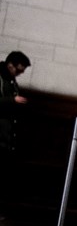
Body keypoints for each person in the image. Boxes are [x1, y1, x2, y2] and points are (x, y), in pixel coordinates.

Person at [0, 51, 30, 189]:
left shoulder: (11, 80)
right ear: (10, 65)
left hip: (6, 133)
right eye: (18, 70)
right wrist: (13, 100)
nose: (19, 74)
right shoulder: (2, 78)